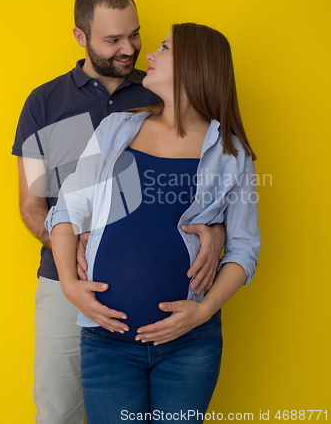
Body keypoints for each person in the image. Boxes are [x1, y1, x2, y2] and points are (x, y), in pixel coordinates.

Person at [12, 0, 225, 424]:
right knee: (58, 414)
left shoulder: (158, 95)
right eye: (113, 40)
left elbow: (209, 185)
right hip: (63, 282)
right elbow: (33, 204)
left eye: (136, 35)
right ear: (80, 37)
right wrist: (72, 257)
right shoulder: (44, 104)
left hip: (165, 311)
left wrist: (217, 232)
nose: (129, 48)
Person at [45, 23, 260, 423]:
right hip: (106, 341)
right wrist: (70, 287)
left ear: (195, 65)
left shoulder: (232, 154)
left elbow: (245, 249)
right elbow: (66, 210)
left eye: (163, 48)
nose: (150, 56)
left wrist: (203, 311)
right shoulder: (115, 129)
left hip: (191, 344)